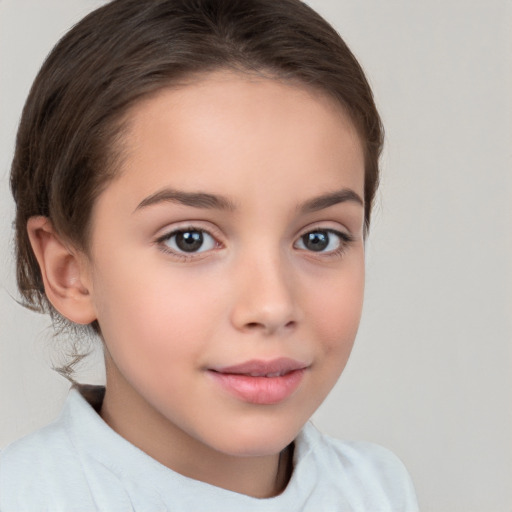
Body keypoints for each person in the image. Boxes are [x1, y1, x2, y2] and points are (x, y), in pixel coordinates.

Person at [0, 0, 419, 510]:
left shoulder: (378, 490)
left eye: (318, 238)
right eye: (189, 239)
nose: (271, 306)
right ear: (71, 272)